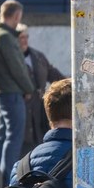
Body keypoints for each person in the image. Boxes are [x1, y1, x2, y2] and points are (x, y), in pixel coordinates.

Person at [0, 0, 37, 178]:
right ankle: (6, 180)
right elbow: (17, 67)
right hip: (11, 92)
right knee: (13, 137)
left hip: (2, 92)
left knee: (2, 136)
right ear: (16, 15)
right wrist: (29, 88)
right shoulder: (6, 37)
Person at [16, 23, 64, 154]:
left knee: (39, 142)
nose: (24, 40)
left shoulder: (37, 56)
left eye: (26, 37)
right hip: (21, 108)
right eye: (21, 37)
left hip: (39, 109)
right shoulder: (12, 59)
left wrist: (68, 82)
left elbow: (51, 72)